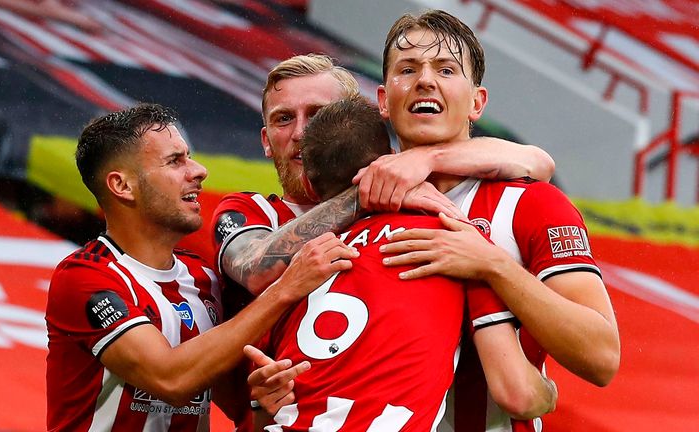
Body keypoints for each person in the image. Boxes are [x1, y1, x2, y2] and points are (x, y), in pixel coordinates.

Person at [349, 10, 620, 431]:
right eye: (408, 68)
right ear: (384, 100)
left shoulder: (533, 204)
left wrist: (494, 265)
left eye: (445, 69)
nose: (425, 80)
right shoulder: (358, 204)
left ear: (476, 102)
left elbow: (601, 357)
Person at [246, 96, 557, 430]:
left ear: (308, 182)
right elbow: (519, 394)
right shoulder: (449, 241)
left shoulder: (291, 272)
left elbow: (261, 407)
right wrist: (549, 391)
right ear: (391, 162)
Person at [44, 103, 358, 431]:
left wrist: (264, 405)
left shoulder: (203, 278)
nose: (199, 171)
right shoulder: (85, 277)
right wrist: (284, 289)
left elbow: (245, 416)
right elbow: (171, 379)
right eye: (175, 161)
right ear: (123, 186)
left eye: (189, 156)